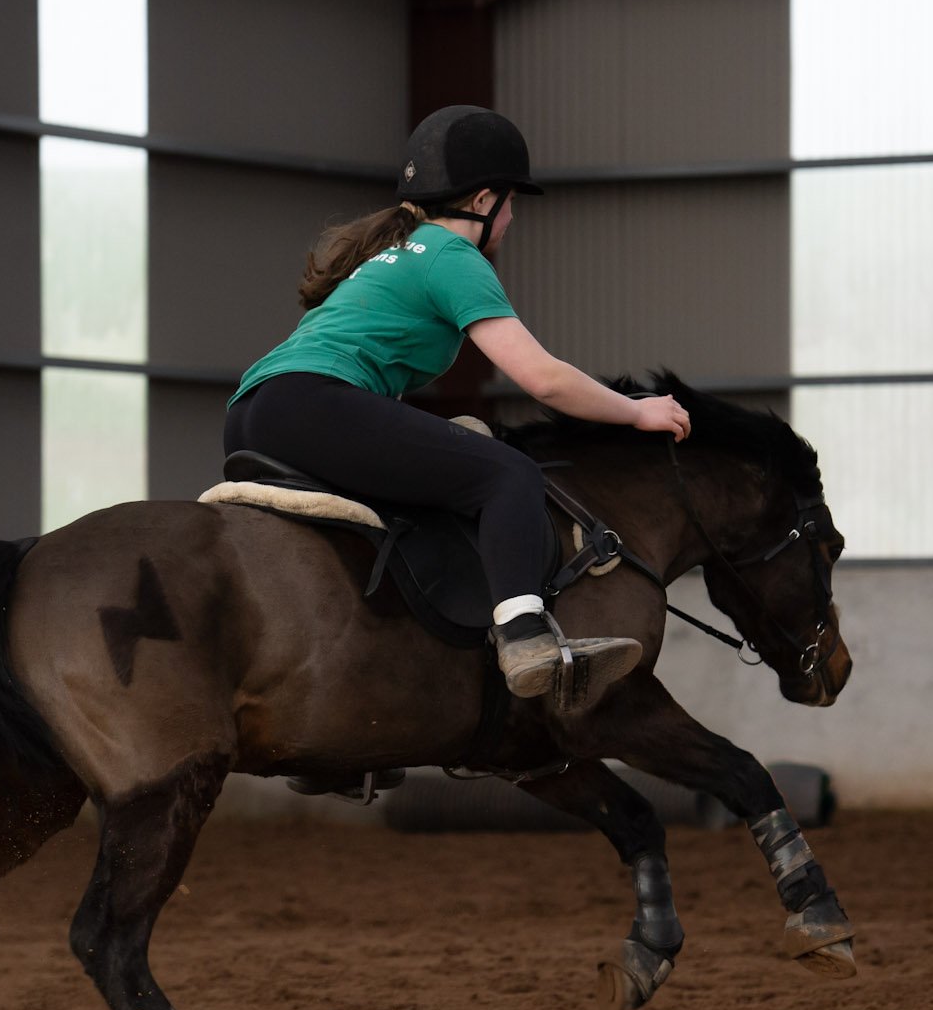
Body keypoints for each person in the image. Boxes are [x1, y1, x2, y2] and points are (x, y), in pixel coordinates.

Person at [223, 105, 690, 699]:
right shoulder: (453, 258)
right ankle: (525, 636)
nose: (514, 217)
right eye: (512, 203)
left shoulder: (387, 254)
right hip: (315, 405)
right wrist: (637, 411)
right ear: (483, 201)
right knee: (507, 476)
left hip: (253, 413)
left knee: (399, 528)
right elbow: (543, 379)